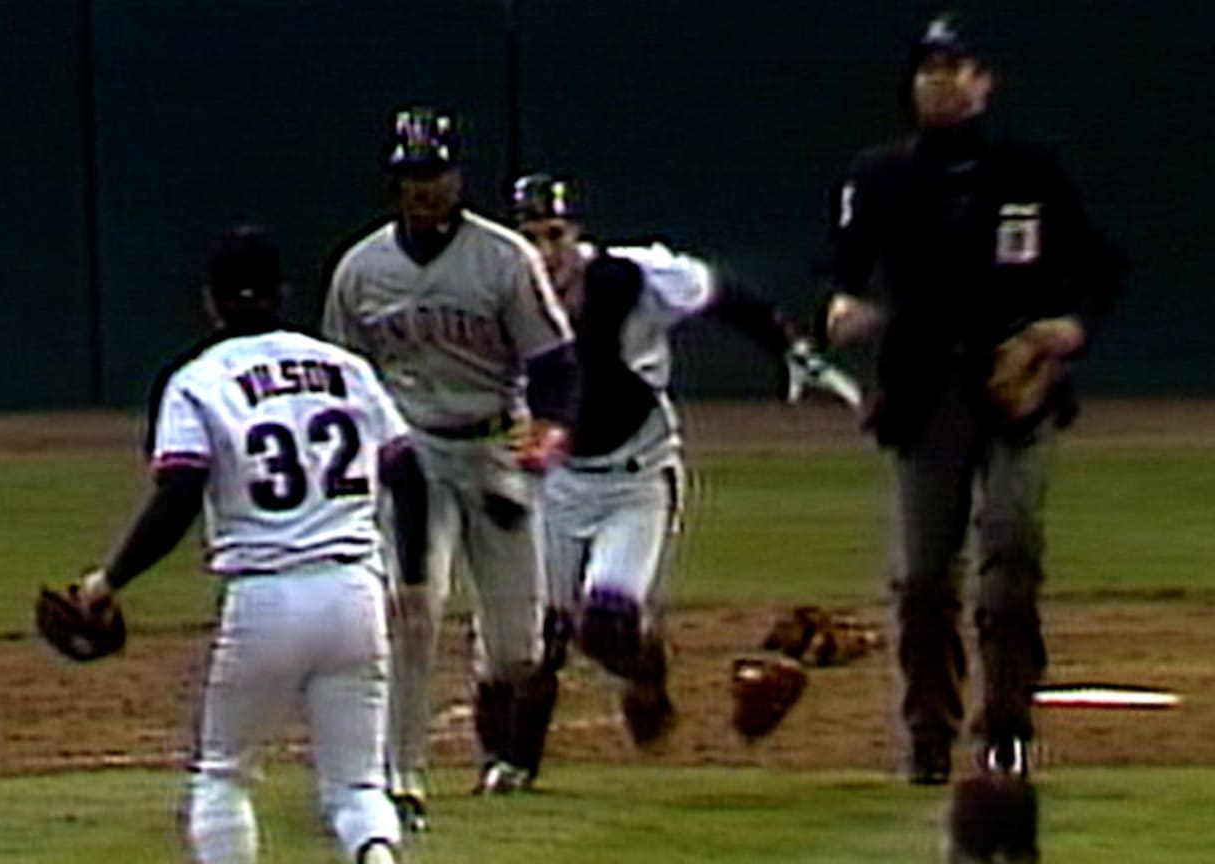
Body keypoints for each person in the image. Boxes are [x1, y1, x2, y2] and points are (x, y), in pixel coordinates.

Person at [820, 15, 1124, 786]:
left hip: (1018, 390)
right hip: (926, 395)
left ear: (984, 81)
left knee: (1009, 552)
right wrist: (844, 309)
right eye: (928, 67)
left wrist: (1067, 328)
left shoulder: (1030, 170)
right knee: (922, 579)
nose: (940, 80)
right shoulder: (880, 176)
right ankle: (928, 731)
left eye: (956, 67)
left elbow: (1098, 268)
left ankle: (1007, 727)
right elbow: (843, 277)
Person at [74, 226, 428, 864]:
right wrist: (416, 579)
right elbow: (408, 472)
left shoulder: (197, 380)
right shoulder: (346, 369)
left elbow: (179, 493)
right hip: (356, 593)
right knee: (357, 785)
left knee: (223, 775)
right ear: (282, 294)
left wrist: (109, 580)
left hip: (265, 598)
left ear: (211, 301)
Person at [509, 172, 857, 760]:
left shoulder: (627, 277)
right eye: (530, 238)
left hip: (635, 477)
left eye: (555, 235)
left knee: (608, 622)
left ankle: (647, 676)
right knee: (539, 639)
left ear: (576, 234)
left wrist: (789, 347)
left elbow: (718, 294)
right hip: (557, 484)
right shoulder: (498, 291)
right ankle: (513, 769)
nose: (546, 253)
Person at [322, 106, 580, 824]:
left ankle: (495, 723)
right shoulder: (361, 269)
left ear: (457, 176)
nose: (424, 189)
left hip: (495, 449)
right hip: (413, 458)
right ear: (395, 183)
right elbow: (342, 378)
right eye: (411, 176)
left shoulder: (503, 259)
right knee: (411, 613)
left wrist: (552, 430)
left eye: (434, 173)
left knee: (517, 651)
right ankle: (399, 777)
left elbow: (553, 361)